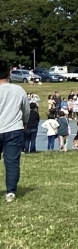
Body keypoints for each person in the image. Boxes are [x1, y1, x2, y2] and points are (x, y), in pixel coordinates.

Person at [0, 60, 31, 202]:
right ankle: (11, 192)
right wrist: (24, 122)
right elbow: (26, 110)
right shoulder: (18, 90)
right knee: (12, 162)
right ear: (9, 72)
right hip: (14, 128)